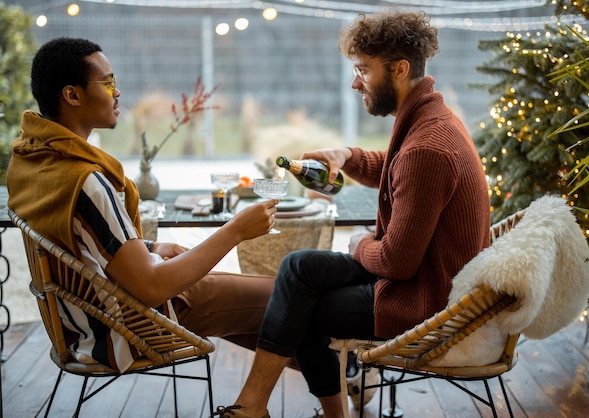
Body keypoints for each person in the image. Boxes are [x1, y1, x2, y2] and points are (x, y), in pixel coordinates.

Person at [214, 10, 491, 418]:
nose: (354, 82)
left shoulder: (428, 147)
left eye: (363, 70)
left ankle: (287, 410)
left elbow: (396, 261)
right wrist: (345, 156)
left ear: (399, 69)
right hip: (423, 275)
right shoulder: (430, 120)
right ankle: (260, 405)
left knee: (301, 309)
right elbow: (395, 167)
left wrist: (360, 241)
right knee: (299, 268)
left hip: (427, 298)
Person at [6, 37, 280, 372]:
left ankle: (308, 395)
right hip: (131, 324)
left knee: (286, 318)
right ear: (72, 95)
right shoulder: (85, 181)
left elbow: (79, 244)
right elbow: (152, 287)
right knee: (291, 294)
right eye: (108, 83)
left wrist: (149, 245)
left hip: (81, 326)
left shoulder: (33, 160)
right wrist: (236, 230)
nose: (117, 93)